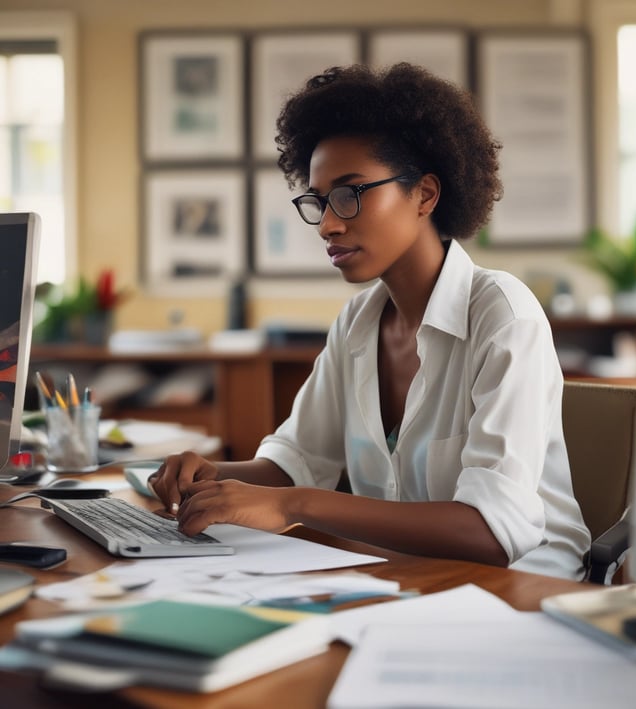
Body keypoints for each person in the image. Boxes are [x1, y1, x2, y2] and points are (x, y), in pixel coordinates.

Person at [149, 63, 591, 579]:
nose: (329, 224)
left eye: (351, 193)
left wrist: (295, 505)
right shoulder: (359, 322)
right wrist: (211, 476)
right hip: (404, 583)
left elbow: (491, 533)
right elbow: (296, 462)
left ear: (424, 194)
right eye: (318, 200)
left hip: (525, 592)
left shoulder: (503, 316)